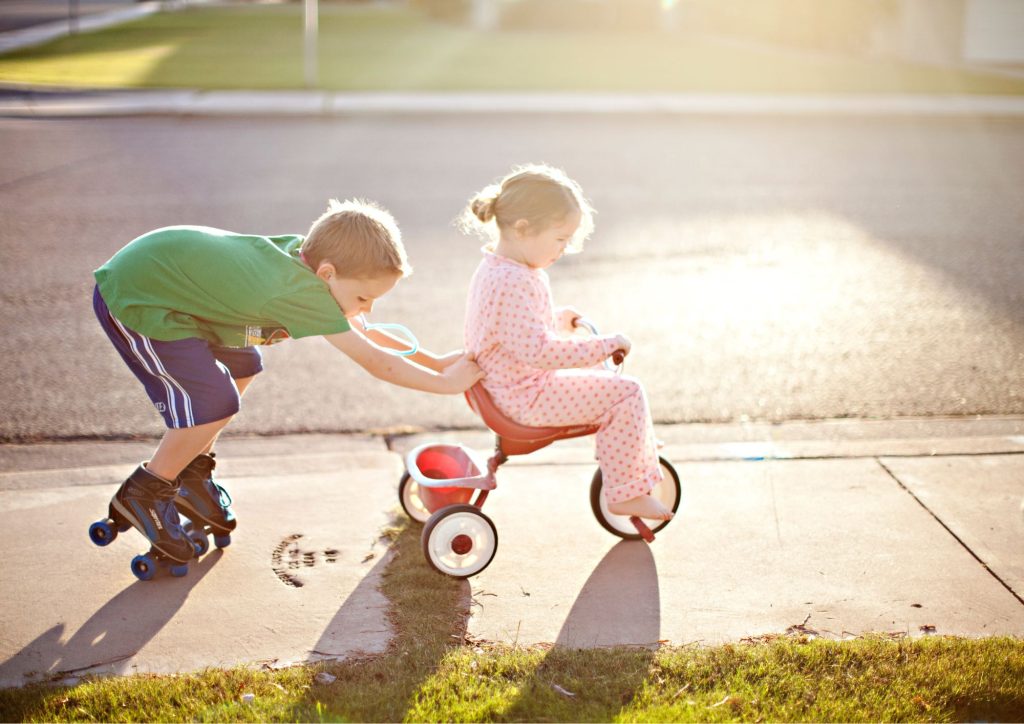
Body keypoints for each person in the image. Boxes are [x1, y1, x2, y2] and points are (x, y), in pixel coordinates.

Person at [93, 198, 484, 566]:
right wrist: (447, 385)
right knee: (213, 402)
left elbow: (369, 330)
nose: (367, 308)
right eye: (364, 297)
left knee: (244, 363)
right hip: (139, 295)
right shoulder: (306, 293)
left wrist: (436, 361)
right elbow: (377, 363)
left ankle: (192, 469)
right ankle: (147, 489)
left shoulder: (312, 265)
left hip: (176, 286)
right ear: (327, 274)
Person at [461, 164, 674, 523]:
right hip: (525, 398)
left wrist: (556, 319)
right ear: (523, 229)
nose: (564, 250)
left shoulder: (500, 269)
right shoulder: (514, 281)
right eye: (560, 240)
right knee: (627, 392)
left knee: (607, 385)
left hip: (511, 386)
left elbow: (513, 330)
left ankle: (631, 447)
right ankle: (628, 493)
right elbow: (539, 351)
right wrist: (603, 345)